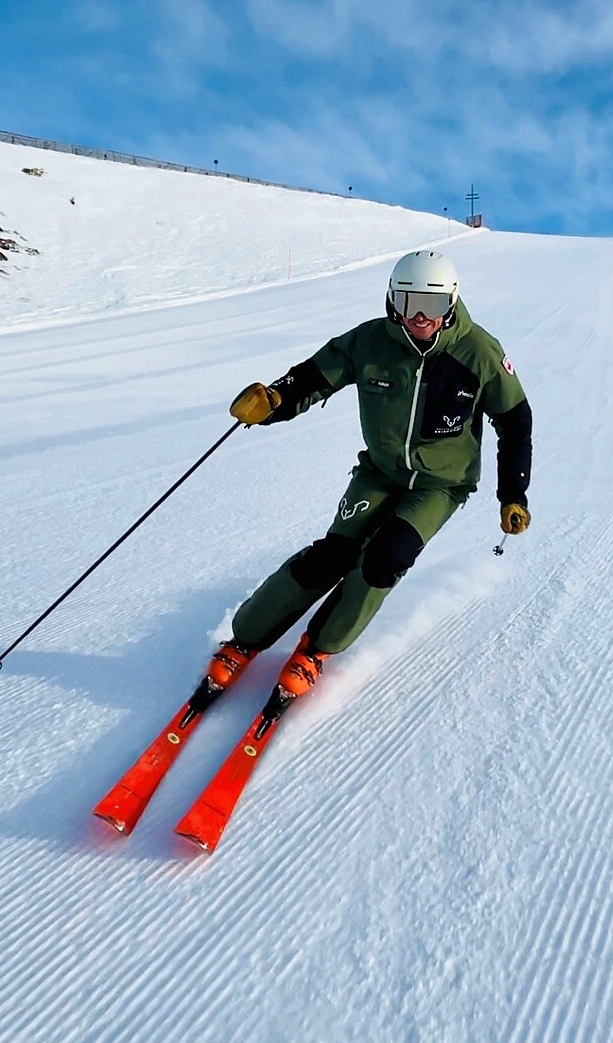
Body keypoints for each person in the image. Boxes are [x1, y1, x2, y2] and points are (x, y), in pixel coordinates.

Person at [198, 249, 532, 713]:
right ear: (391, 299)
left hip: (440, 484)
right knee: (332, 555)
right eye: (408, 302)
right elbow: (313, 377)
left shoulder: (479, 353)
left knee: (383, 559)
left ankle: (316, 649)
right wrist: (273, 401)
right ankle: (244, 640)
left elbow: (515, 420)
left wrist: (512, 494)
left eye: (433, 307)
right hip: (379, 472)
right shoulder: (370, 342)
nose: (420, 317)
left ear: (451, 305)